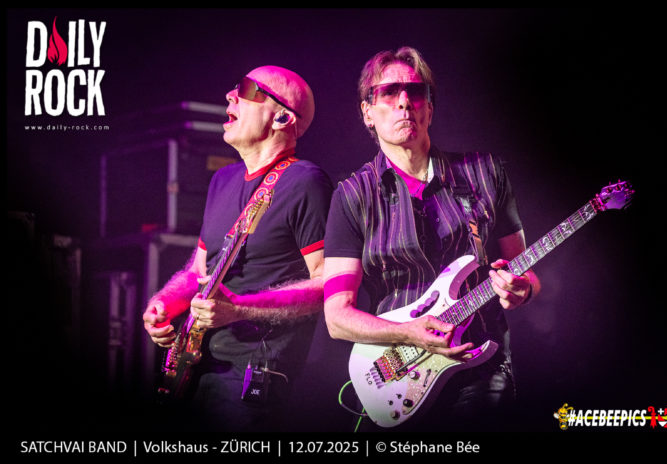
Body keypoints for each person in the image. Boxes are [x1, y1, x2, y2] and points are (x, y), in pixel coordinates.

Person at [323, 47, 541, 431]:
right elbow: (337, 317)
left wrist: (521, 289)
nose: (404, 102)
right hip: (397, 372)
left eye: (415, 91)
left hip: (479, 365)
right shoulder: (353, 195)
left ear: (430, 108)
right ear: (367, 112)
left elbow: (526, 273)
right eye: (389, 92)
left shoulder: (485, 172)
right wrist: (407, 332)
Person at [142, 65, 333, 432]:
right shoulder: (222, 179)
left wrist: (239, 309)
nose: (230, 96)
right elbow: (199, 271)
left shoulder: (306, 182)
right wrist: (164, 304)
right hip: (194, 366)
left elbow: (327, 284)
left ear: (281, 117)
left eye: (246, 89)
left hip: (250, 375)